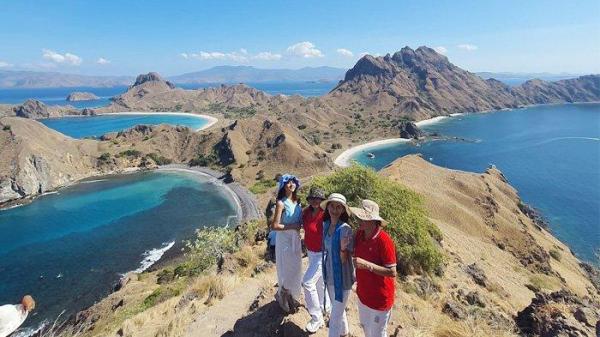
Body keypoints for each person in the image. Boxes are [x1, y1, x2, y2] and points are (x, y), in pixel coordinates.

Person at [350, 200, 397, 337]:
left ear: (374, 221)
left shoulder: (384, 240)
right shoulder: (360, 233)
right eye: (360, 217)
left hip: (380, 299)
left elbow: (392, 271)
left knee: (377, 334)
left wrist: (366, 265)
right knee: (366, 329)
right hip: (363, 294)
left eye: (364, 218)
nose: (360, 220)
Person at [321, 193, 354, 337]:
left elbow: (344, 259)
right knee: (336, 309)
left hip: (342, 278)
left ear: (342, 210)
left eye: (338, 207)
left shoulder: (345, 229)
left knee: (334, 318)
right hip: (329, 275)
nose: (334, 210)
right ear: (327, 207)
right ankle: (344, 332)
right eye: (332, 206)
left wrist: (342, 248)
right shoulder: (326, 225)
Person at [270, 174, 303, 313]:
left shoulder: (298, 203)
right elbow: (275, 226)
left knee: (296, 268)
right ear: (283, 186)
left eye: (293, 182)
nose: (291, 184)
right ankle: (282, 295)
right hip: (284, 239)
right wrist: (293, 226)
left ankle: (290, 295)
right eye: (288, 182)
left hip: (295, 238)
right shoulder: (281, 203)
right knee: (288, 269)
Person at [301, 187, 330, 333]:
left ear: (322, 200)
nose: (315, 201)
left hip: (322, 254)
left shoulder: (325, 214)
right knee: (319, 282)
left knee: (307, 282)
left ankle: (316, 317)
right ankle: (325, 307)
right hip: (311, 253)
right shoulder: (306, 213)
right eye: (312, 198)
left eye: (318, 198)